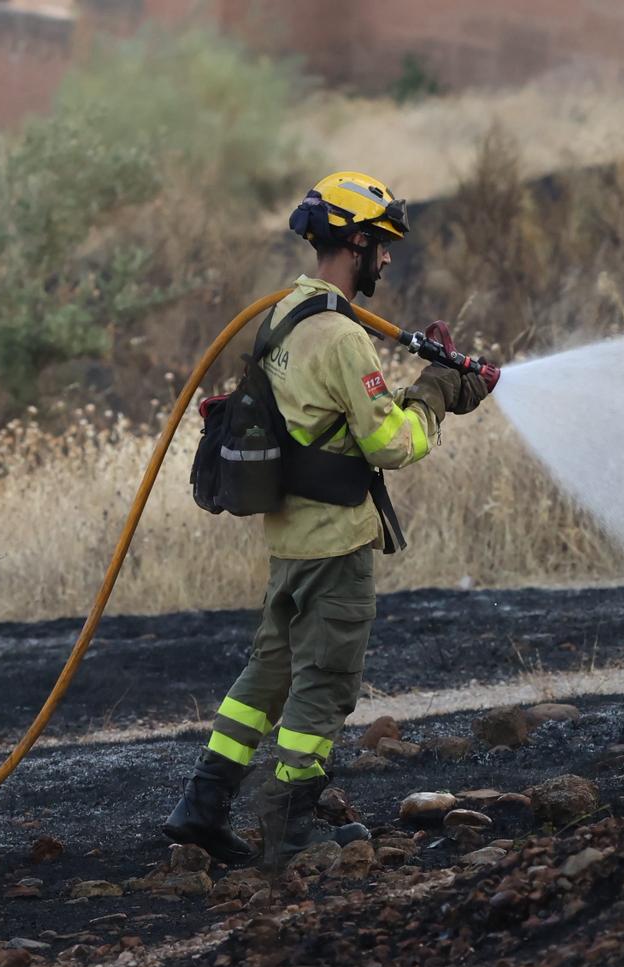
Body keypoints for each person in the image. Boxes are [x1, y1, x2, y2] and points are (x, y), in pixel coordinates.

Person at [163, 171, 488, 870]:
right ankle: (290, 828)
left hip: (289, 537)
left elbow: (326, 422)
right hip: (336, 542)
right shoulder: (340, 336)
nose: (389, 260)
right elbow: (390, 445)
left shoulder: (284, 317)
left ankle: (202, 804)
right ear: (359, 243)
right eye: (384, 247)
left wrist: (415, 387)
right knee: (326, 682)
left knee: (269, 673)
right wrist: (437, 396)